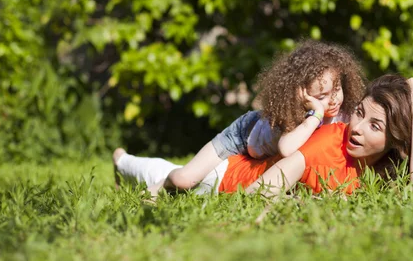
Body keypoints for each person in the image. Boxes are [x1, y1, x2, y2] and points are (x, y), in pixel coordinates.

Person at [113, 74, 413, 196]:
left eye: (375, 126)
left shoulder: (384, 167)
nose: (358, 128)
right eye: (360, 113)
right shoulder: (331, 142)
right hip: (227, 180)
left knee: (171, 172)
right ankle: (122, 160)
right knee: (167, 175)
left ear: (398, 142)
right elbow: (258, 193)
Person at [117, 40, 366, 196]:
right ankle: (158, 186)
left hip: (257, 158)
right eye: (322, 95)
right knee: (184, 179)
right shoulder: (292, 115)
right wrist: (315, 114)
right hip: (241, 136)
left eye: (337, 89)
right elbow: (287, 148)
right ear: (301, 97)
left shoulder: (340, 111)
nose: (333, 100)